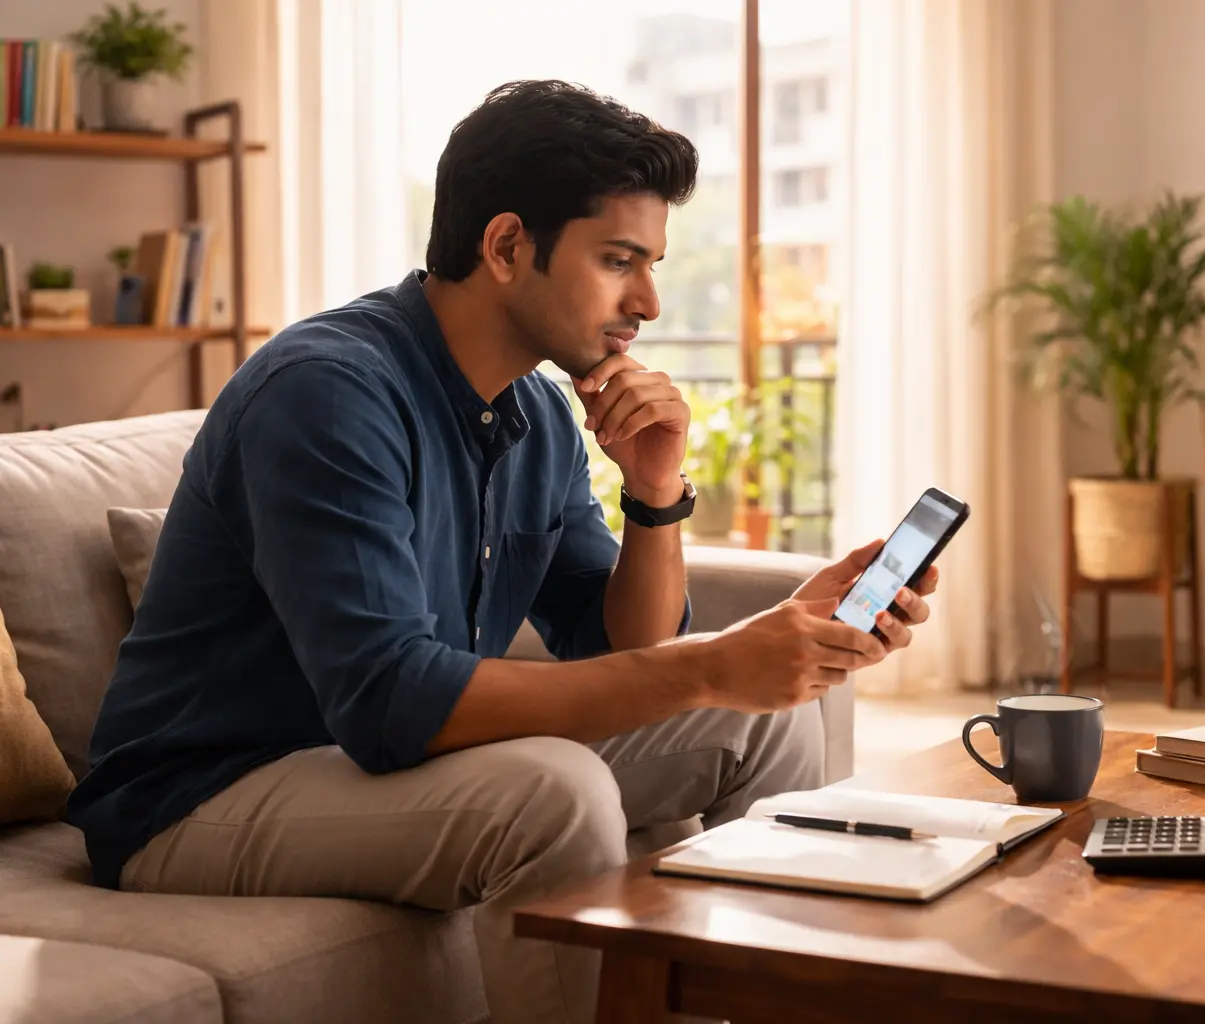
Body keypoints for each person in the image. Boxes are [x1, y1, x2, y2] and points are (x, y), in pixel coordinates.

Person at [66, 80, 940, 1024]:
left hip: (362, 765)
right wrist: (710, 663)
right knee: (552, 793)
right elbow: (392, 700)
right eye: (619, 260)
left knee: (763, 721)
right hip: (198, 794)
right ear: (508, 246)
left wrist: (653, 494)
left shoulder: (538, 415)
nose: (646, 299)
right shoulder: (327, 393)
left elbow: (614, 655)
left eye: (649, 265)